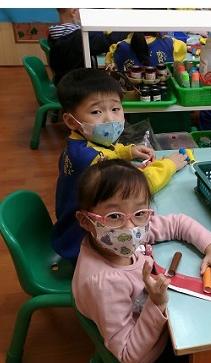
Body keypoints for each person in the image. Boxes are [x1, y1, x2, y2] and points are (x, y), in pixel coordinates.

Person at [72, 159, 211, 363]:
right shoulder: (106, 282)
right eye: (114, 216)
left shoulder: (119, 235)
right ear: (86, 221)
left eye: (140, 213)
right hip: (154, 354)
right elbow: (128, 353)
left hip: (159, 319)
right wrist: (156, 303)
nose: (130, 228)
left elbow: (178, 223)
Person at [50, 68, 187, 265]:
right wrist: (170, 165)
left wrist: (127, 151)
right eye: (96, 112)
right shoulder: (93, 160)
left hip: (69, 230)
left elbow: (106, 151)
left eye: (115, 109)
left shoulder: (78, 144)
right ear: (71, 121)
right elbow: (138, 189)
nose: (110, 119)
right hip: (87, 244)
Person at [47, 8, 129, 85]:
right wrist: (128, 27)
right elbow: (109, 40)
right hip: (77, 86)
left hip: (64, 82)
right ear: (73, 12)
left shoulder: (56, 35)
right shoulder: (78, 37)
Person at [106, 32, 188, 72]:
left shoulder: (119, 47)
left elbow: (110, 63)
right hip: (164, 94)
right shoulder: (173, 44)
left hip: (130, 95)